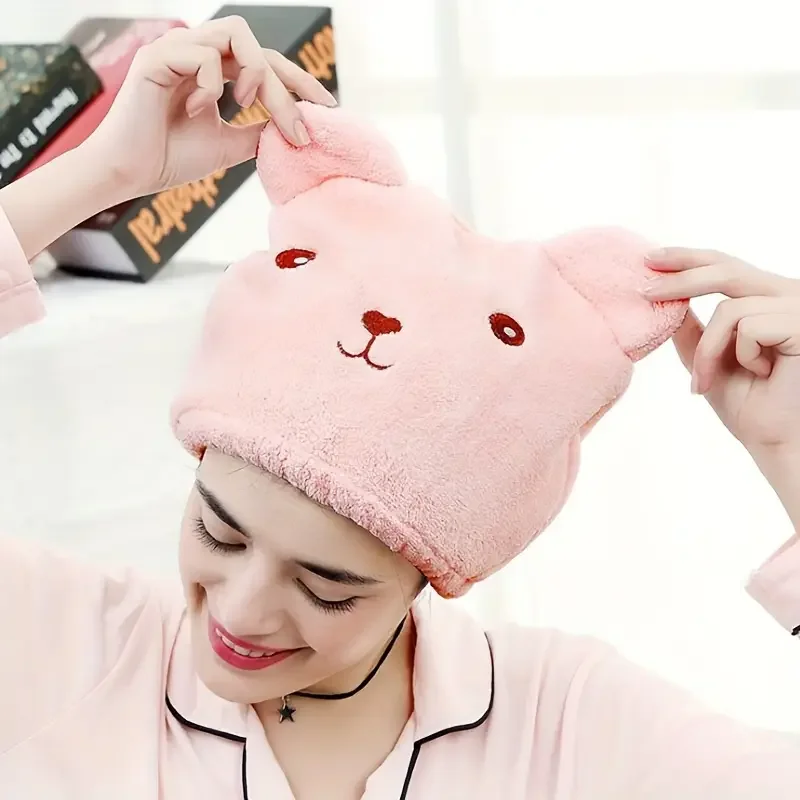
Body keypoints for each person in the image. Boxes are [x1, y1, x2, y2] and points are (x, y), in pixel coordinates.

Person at [0, 16, 798, 800]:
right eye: (219, 532)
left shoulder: (565, 725)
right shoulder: (75, 647)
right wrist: (101, 173)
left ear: (431, 573)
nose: (240, 610)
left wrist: (794, 459)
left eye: (327, 588)